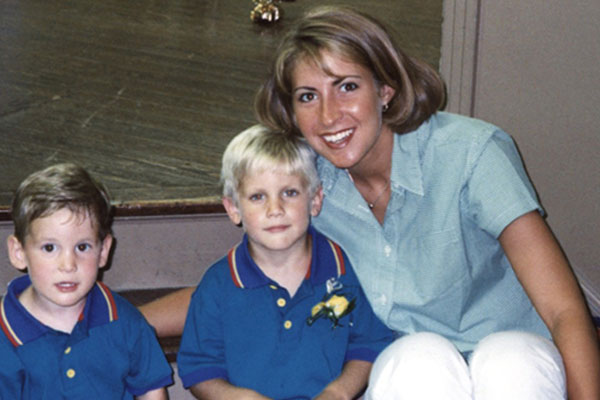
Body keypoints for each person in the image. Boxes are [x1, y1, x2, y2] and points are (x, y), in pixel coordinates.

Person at [140, 5, 599, 399]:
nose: (327, 115)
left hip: (514, 358)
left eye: (347, 87)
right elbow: (234, 290)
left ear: (385, 90)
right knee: (417, 357)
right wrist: (116, 320)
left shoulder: (471, 154)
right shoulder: (312, 187)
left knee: (508, 358)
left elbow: (564, 311)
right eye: (307, 96)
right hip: (412, 368)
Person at [176, 124, 394, 399]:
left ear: (315, 200)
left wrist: (338, 393)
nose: (275, 210)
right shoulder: (219, 285)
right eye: (257, 197)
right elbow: (199, 368)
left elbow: (369, 343)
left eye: (289, 193)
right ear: (233, 209)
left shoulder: (343, 270)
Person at [1, 163, 172, 399]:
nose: (68, 265)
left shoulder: (123, 320)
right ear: (18, 252)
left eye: (82, 247)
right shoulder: (5, 336)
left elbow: (151, 389)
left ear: (103, 251)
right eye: (49, 247)